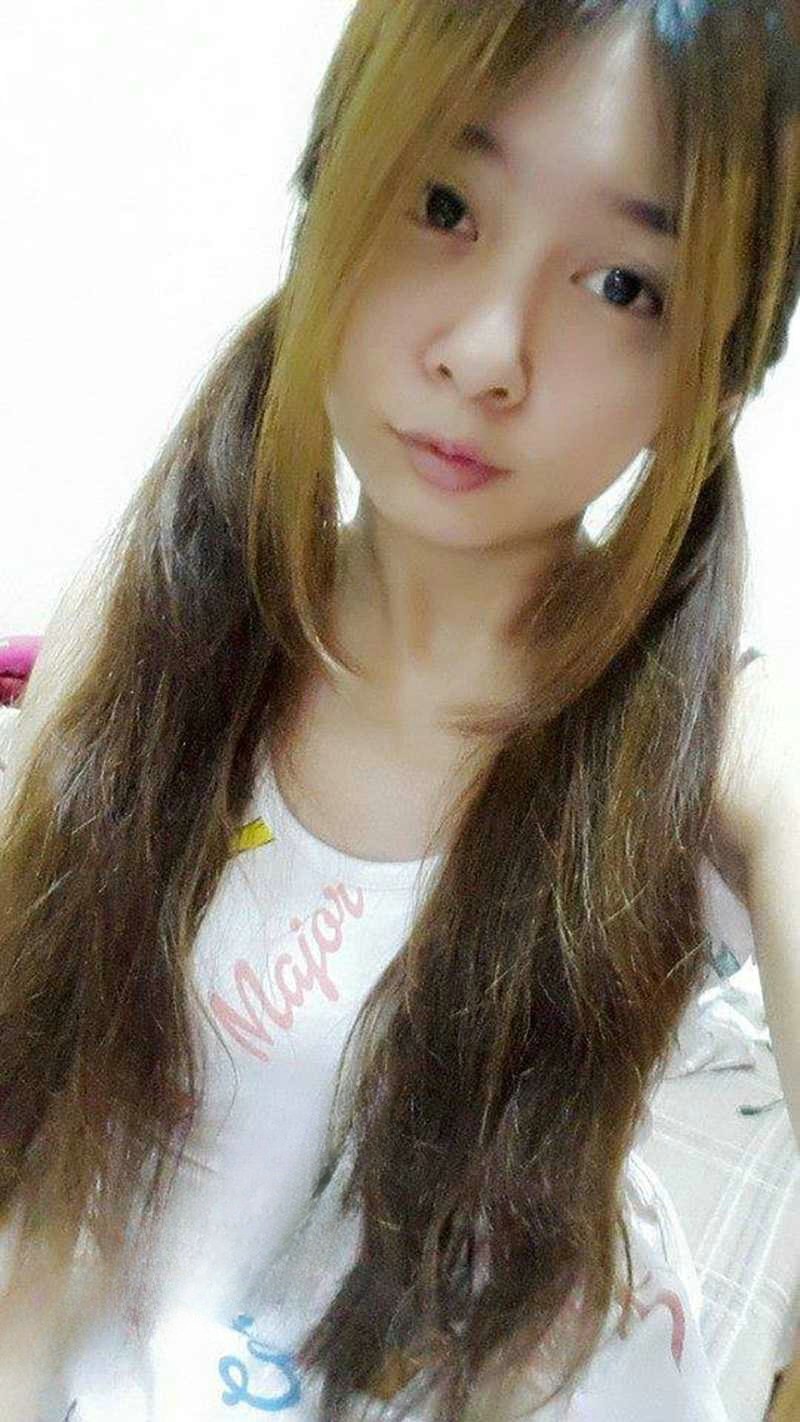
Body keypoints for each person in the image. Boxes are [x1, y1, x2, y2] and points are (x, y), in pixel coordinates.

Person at [0, 0, 799, 1417]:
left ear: (716, 364)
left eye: (624, 284)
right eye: (443, 205)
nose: (488, 348)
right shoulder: (155, 626)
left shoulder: (716, 748)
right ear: (331, 190)